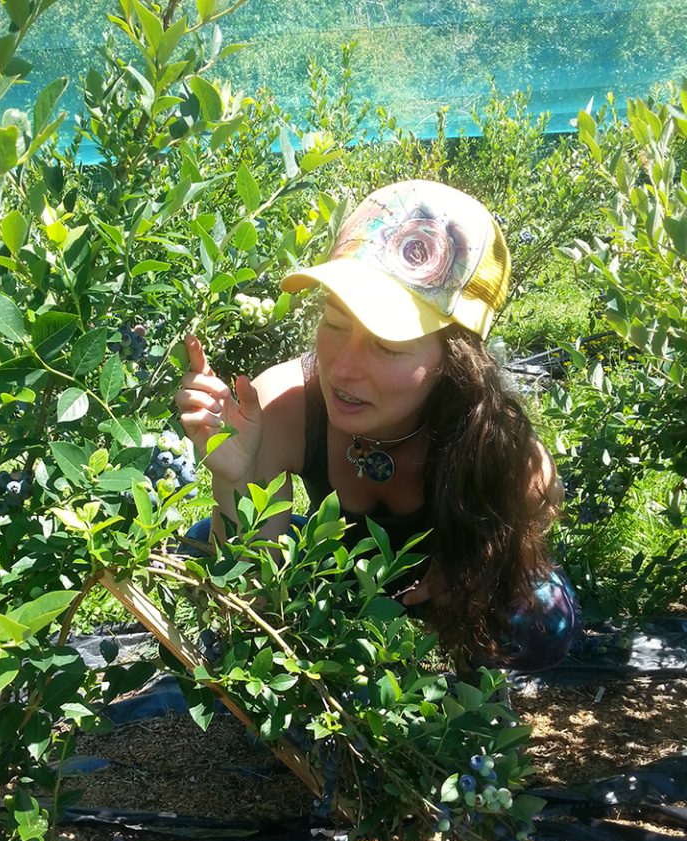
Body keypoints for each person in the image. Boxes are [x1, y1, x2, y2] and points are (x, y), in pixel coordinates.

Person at [174, 179, 579, 672]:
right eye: (335, 324)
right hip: (342, 570)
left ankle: (474, 689)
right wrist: (233, 480)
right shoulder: (281, 405)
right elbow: (256, 597)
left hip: (442, 573)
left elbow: (543, 501)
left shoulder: (486, 429)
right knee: (205, 544)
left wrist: (475, 562)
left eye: (387, 345)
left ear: (455, 360)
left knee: (540, 618)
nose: (342, 369)